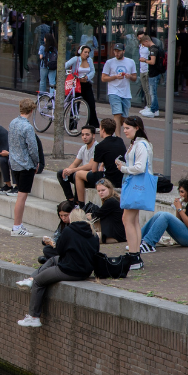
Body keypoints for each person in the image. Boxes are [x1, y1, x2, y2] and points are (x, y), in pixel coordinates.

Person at [16, 209, 99, 328]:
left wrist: (53, 244)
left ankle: (34, 317)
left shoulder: (69, 230)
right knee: (52, 260)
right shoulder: (93, 232)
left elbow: (60, 250)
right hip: (85, 270)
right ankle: (30, 279)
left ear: (72, 218)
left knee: (39, 282)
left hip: (70, 270)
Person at [114, 115, 153, 270]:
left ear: (137, 128)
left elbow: (140, 167)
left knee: (127, 219)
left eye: (127, 128)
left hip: (135, 184)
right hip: (134, 183)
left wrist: (123, 168)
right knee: (133, 219)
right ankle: (135, 254)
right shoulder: (138, 143)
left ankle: (134, 255)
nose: (125, 131)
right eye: (124, 128)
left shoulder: (141, 145)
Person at [139, 177, 188, 252]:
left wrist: (180, 209)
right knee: (160, 214)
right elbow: (179, 221)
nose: (180, 195)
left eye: (182, 192)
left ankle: (149, 244)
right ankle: (138, 240)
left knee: (166, 216)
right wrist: (178, 208)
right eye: (179, 192)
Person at [72, 118, 126, 205]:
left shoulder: (100, 146)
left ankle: (80, 205)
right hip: (121, 177)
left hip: (109, 178)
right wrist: (103, 165)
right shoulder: (120, 140)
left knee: (78, 174)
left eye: (100, 128)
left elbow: (93, 169)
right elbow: (112, 155)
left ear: (103, 130)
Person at [8, 98, 39, 237]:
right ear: (31, 110)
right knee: (22, 196)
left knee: (20, 194)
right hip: (26, 165)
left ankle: (18, 225)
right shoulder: (28, 127)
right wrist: (36, 162)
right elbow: (33, 148)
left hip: (14, 163)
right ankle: (17, 226)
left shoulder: (12, 122)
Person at [101, 42, 138, 129]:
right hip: (113, 91)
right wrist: (115, 77)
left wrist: (129, 76)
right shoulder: (109, 62)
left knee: (124, 118)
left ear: (124, 51)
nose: (117, 53)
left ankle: (114, 130)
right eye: (115, 51)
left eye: (119, 51)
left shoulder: (130, 62)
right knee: (117, 114)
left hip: (126, 92)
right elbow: (103, 78)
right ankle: (118, 138)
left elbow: (135, 77)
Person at [56, 127, 97, 202]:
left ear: (93, 135)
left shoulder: (97, 147)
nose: (84, 137)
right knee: (60, 173)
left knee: (77, 174)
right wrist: (67, 171)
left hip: (93, 177)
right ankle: (70, 200)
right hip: (83, 174)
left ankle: (77, 201)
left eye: (87, 135)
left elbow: (90, 166)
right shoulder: (83, 148)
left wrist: (72, 170)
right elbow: (75, 163)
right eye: (82, 135)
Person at [81, 178, 126, 243]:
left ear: (110, 189)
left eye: (103, 190)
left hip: (114, 236)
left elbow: (97, 214)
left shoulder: (110, 201)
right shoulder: (113, 198)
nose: (101, 193)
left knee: (83, 237)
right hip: (117, 233)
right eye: (99, 191)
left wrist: (88, 216)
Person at [67, 45, 99, 129]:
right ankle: (72, 127)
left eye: (88, 52)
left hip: (86, 84)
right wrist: (70, 75)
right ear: (80, 52)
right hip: (77, 84)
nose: (87, 54)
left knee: (91, 104)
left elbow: (92, 71)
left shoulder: (90, 60)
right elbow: (65, 65)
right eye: (85, 52)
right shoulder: (76, 59)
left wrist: (87, 77)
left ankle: (94, 125)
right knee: (75, 105)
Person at [38, 200, 77, 265]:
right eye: (61, 216)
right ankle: (54, 260)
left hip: (72, 250)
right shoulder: (63, 224)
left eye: (66, 215)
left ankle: (54, 261)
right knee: (47, 249)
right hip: (62, 248)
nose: (63, 218)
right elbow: (58, 236)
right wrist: (49, 241)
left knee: (47, 252)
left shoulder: (76, 224)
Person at [138, 33, 163, 118]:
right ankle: (154, 109)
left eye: (144, 44)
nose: (144, 46)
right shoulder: (155, 48)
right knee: (152, 92)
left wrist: (144, 60)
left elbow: (152, 62)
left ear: (146, 41)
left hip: (154, 74)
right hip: (154, 73)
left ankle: (153, 109)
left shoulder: (153, 49)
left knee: (153, 93)